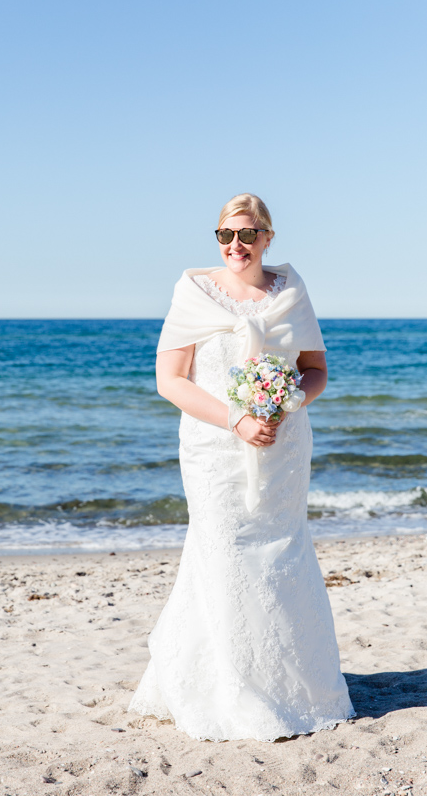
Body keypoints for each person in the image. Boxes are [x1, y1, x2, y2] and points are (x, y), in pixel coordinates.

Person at [128, 193, 355, 742]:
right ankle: (225, 690)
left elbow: (316, 370)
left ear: (267, 239)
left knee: (282, 550)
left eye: (247, 235)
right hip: (215, 448)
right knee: (223, 549)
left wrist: (289, 403)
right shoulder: (194, 292)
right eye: (226, 235)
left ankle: (294, 689)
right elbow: (171, 381)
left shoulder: (291, 292)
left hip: (282, 445)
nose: (236, 245)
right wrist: (237, 420)